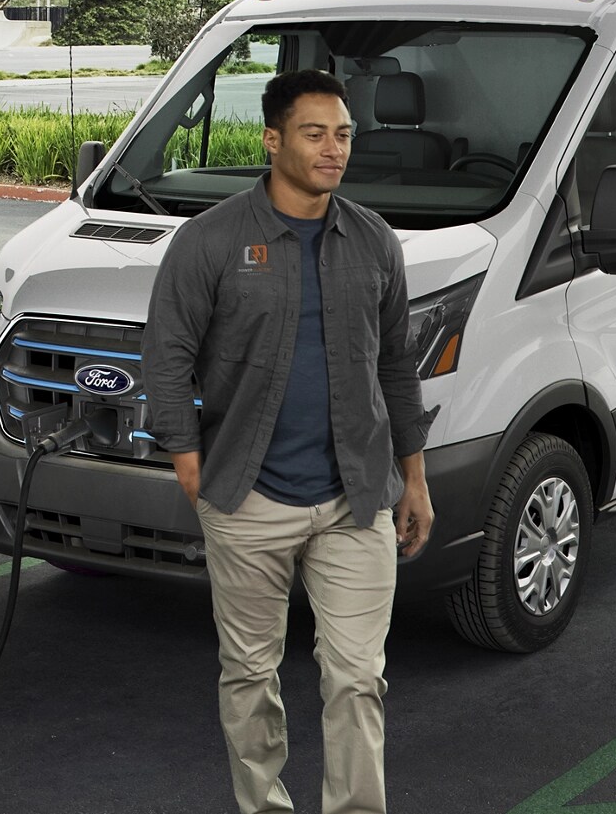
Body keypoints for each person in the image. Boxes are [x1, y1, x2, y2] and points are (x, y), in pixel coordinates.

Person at [143, 68, 433, 814]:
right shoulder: (209, 241)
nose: (333, 149)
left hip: (356, 496)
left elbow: (396, 365)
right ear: (272, 140)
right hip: (247, 496)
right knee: (248, 673)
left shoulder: (373, 241)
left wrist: (415, 478)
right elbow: (168, 353)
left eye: (343, 134)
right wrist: (188, 460)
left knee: (357, 677)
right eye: (315, 133)